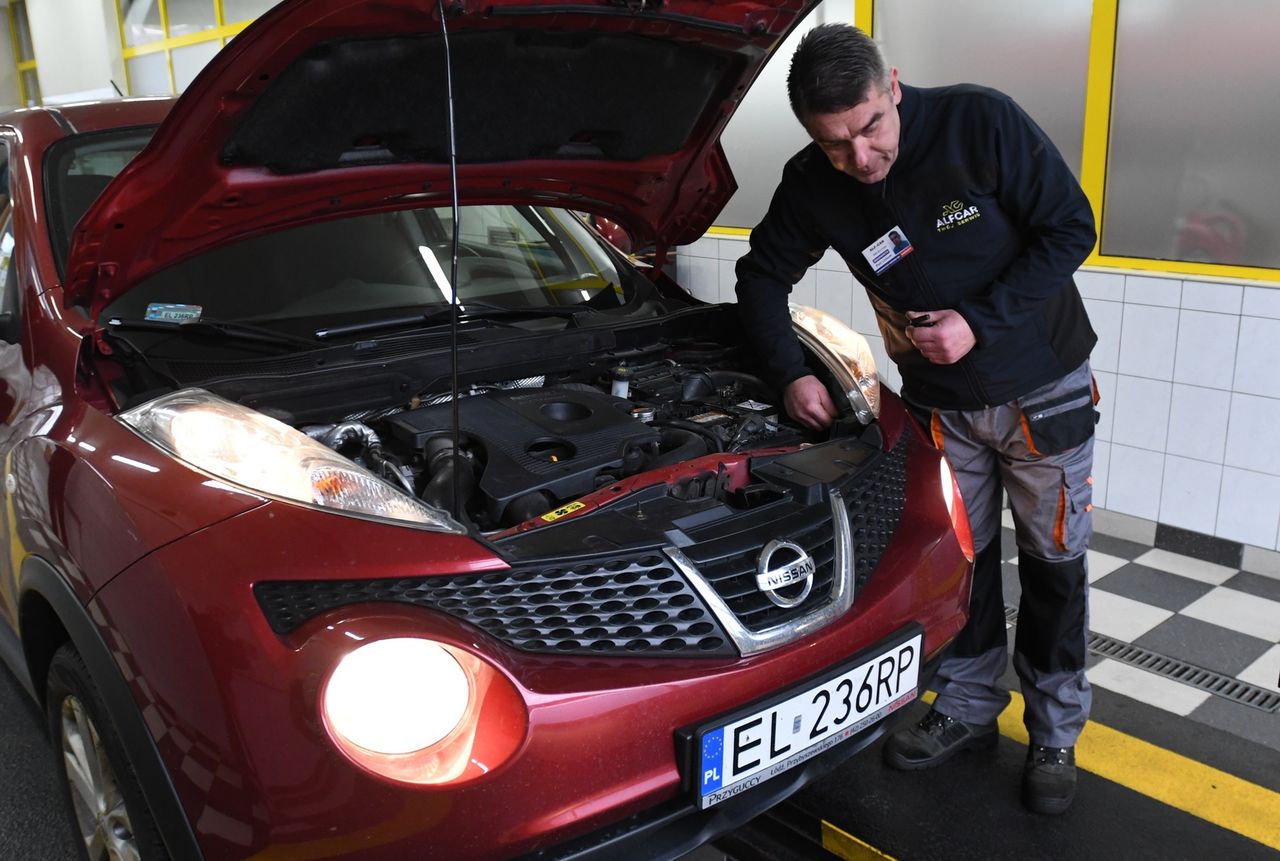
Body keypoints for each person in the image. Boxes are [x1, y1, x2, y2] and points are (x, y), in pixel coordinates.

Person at [734, 24, 1098, 815]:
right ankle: (968, 703)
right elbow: (760, 276)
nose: (859, 160)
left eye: (870, 128)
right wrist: (789, 373)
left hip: (1044, 390)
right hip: (941, 407)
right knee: (962, 559)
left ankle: (1056, 727)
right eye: (834, 145)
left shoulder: (980, 122)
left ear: (892, 86)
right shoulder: (813, 183)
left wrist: (978, 320)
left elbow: (1073, 226)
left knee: (1053, 563)